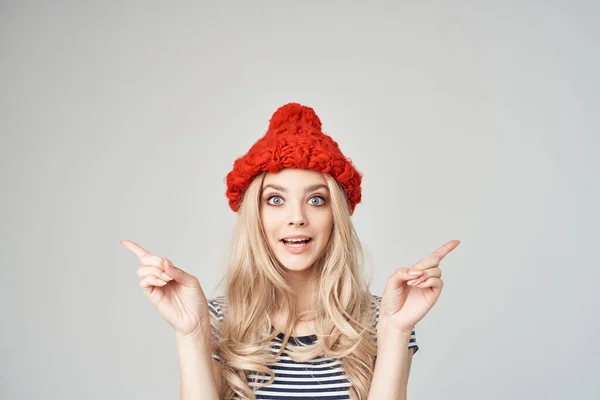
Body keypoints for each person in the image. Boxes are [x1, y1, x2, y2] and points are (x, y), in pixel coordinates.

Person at [121, 102, 460, 400]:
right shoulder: (217, 321)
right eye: (276, 199)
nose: (297, 218)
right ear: (256, 215)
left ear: (335, 216)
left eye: (316, 200)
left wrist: (397, 331)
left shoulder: (381, 319)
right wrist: (192, 332)